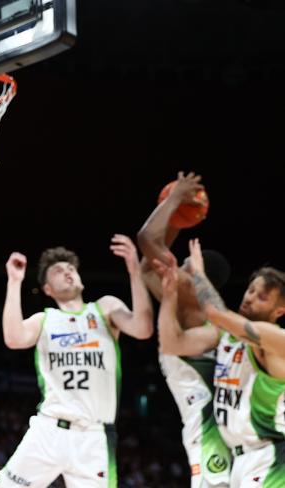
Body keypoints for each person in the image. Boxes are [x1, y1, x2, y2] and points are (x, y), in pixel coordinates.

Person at [0, 235, 153, 487]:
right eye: (58, 270)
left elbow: (143, 328)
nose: (67, 272)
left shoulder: (104, 308)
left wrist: (135, 269)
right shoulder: (45, 319)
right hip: (48, 430)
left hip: (93, 437)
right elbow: (13, 338)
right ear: (47, 288)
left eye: (71, 268)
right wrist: (14, 282)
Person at [137, 171, 232, 488]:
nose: (176, 267)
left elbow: (147, 240)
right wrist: (177, 220)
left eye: (185, 265)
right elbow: (147, 262)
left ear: (196, 273)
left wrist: (176, 198)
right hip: (216, 426)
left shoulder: (192, 300)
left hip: (211, 428)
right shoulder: (189, 301)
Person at [181, 240, 285, 487]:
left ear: (279, 311)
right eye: (250, 291)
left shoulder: (275, 339)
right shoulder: (232, 336)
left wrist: (198, 272)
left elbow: (216, 313)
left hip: (270, 457)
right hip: (240, 458)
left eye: (261, 298)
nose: (250, 299)